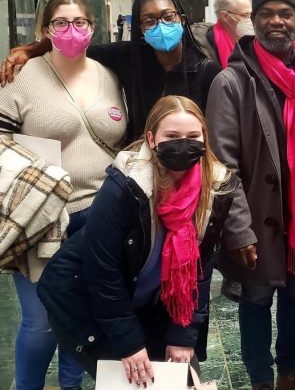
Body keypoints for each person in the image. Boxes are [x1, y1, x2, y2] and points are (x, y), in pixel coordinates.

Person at [36, 95, 234, 380]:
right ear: (152, 140)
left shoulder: (214, 188)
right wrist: (129, 343)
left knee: (180, 377)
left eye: (193, 136)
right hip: (88, 298)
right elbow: (103, 274)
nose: (183, 144)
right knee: (130, 377)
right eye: (172, 136)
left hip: (151, 300)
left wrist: (183, 334)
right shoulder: (124, 187)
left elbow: (199, 273)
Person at [0, 0, 126, 390]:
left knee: (82, 317)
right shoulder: (21, 76)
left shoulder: (110, 75)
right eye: (60, 23)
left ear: (92, 28)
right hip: (41, 218)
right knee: (40, 324)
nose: (71, 31)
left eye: (80, 23)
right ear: (45, 30)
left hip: (102, 215)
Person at [206, 0, 295, 390]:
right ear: (253, 23)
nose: (277, 21)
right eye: (267, 14)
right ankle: (260, 378)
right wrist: (238, 228)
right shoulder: (231, 82)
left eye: (285, 14)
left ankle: (289, 371)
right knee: (256, 301)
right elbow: (222, 163)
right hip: (256, 216)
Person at [1, 0, 222, 142]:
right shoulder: (130, 59)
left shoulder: (208, 73)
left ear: (181, 20)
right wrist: (32, 50)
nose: (161, 25)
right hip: (142, 179)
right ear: (140, 29)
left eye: (167, 17)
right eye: (149, 20)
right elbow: (77, 47)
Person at [191, 0, 253, 68]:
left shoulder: (250, 42)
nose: (249, 20)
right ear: (225, 16)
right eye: (244, 15)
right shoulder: (202, 46)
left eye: (250, 15)